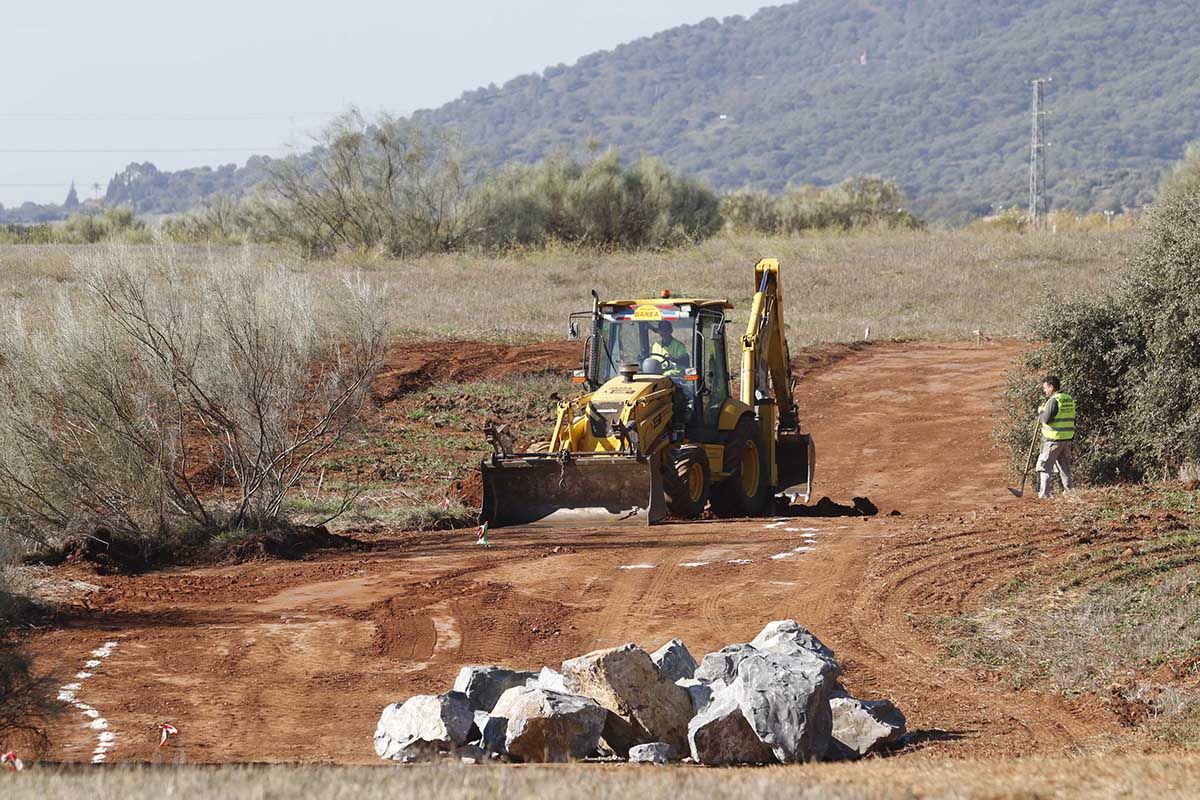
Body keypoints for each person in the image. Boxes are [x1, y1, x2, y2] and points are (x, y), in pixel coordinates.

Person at [1036, 374, 1075, 499]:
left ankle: (1044, 494)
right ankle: (1069, 492)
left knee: (1045, 467)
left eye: (1045, 388)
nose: (1044, 390)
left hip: (1053, 440)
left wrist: (1041, 411)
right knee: (1065, 468)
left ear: (1051, 387)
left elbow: (1046, 420)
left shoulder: (1053, 400)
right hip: (1067, 439)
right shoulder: (1069, 399)